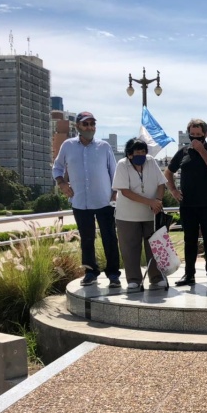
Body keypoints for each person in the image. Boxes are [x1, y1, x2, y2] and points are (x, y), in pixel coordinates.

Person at [53, 111, 121, 287]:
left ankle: (113, 274)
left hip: (105, 201)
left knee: (109, 238)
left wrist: (115, 193)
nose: (90, 127)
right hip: (80, 202)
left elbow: (114, 171)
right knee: (87, 239)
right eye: (86, 124)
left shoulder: (104, 147)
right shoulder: (67, 146)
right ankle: (90, 272)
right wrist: (62, 183)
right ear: (78, 126)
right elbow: (57, 167)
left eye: (92, 124)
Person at [164, 119, 207, 287]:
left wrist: (202, 150)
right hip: (188, 205)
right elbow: (168, 172)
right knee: (189, 240)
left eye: (199, 134)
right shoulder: (183, 152)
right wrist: (173, 191)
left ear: (205, 134)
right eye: (192, 134)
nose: (195, 138)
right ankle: (189, 274)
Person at [112, 138, 167, 290]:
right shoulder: (122, 165)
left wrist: (158, 200)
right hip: (127, 216)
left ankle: (156, 277)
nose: (141, 155)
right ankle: (134, 279)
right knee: (130, 248)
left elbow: (161, 183)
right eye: (137, 152)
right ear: (130, 154)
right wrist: (149, 202)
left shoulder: (150, 161)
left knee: (154, 246)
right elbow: (125, 191)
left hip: (151, 215)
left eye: (143, 151)